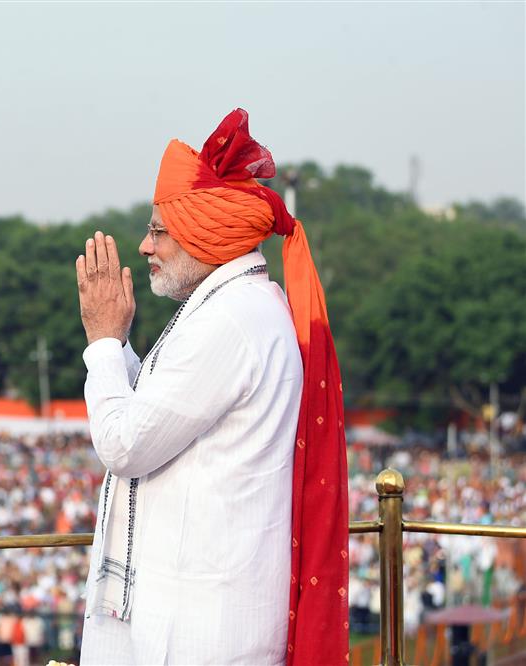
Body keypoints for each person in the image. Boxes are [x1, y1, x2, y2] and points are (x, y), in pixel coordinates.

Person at [75, 108, 349, 665]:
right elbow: (162, 410)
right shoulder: (234, 306)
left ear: (206, 234)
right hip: (202, 616)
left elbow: (125, 444)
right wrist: (121, 343)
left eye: (158, 231)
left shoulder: (230, 320)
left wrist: (102, 342)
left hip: (202, 631)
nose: (145, 247)